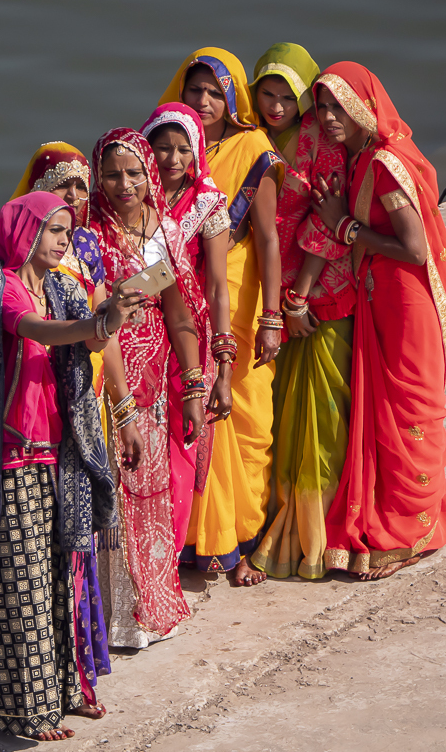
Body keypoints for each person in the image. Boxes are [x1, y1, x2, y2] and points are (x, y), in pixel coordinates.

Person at [0, 192, 144, 740]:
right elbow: (39, 332)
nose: (64, 240)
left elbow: (80, 344)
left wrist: (107, 319)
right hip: (10, 455)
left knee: (58, 578)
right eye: (55, 230)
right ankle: (20, 710)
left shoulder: (60, 287)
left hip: (60, 450)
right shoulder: (0, 289)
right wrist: (101, 323)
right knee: (21, 581)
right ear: (25, 233)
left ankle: (60, 690)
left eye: (67, 231)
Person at [311, 62, 446, 579]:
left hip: (405, 299)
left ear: (363, 106)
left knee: (411, 407)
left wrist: (346, 228)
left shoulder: (384, 163)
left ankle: (413, 529)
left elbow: (415, 248)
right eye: (323, 107)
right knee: (388, 410)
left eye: (339, 106)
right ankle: (416, 511)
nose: (330, 117)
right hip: (382, 294)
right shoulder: (359, 157)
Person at [159, 47, 283, 585]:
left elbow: (271, 238)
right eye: (195, 90)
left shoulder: (253, 147)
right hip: (177, 293)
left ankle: (244, 536)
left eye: (215, 92)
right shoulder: (167, 145)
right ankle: (189, 538)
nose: (205, 101)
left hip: (237, 292)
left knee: (245, 421)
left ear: (233, 97)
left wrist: (273, 316)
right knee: (183, 412)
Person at [91, 128, 206, 647]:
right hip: (102, 379)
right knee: (109, 492)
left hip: (156, 380)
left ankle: (147, 608)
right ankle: (106, 615)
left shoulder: (167, 234)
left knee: (149, 489)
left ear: (150, 174)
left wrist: (194, 386)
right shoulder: (89, 234)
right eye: (112, 174)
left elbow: (181, 317)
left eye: (134, 173)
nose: (123, 184)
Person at [246, 43, 356, 580]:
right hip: (268, 291)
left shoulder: (320, 144)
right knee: (282, 417)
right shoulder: (252, 139)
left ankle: (318, 530)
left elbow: (325, 226)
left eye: (287, 96)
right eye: (266, 93)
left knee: (320, 417)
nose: (275, 106)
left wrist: (296, 299)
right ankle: (274, 514)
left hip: (318, 292)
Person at [140, 102, 233, 551]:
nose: (172, 160)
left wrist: (224, 363)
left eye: (182, 150)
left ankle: (170, 555)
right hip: (135, 335)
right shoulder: (131, 196)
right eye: (161, 148)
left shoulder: (209, 205)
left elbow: (217, 287)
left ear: (196, 153)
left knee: (180, 445)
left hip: (186, 337)